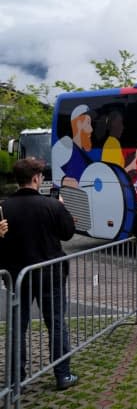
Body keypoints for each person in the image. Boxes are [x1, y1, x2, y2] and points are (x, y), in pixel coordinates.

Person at [0, 158, 78, 390]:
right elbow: (67, 233)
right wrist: (63, 208)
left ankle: (16, 379)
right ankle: (62, 375)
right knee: (56, 324)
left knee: (17, 326)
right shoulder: (52, 205)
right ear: (36, 178)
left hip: (16, 276)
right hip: (49, 276)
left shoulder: (4, 207)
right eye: (41, 176)